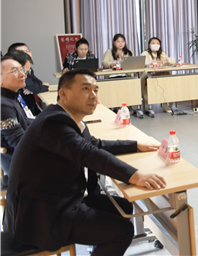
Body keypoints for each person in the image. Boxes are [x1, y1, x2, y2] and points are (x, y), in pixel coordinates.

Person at [3, 69, 165, 255]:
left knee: (124, 207)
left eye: (96, 90)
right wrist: (135, 176)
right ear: (63, 94)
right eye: (85, 89)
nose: (93, 95)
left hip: (60, 197)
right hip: (41, 216)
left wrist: (135, 145)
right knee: (122, 231)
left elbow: (94, 144)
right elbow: (89, 154)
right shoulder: (54, 123)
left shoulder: (67, 118)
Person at [1, 51, 34, 175]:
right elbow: (20, 142)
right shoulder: (2, 105)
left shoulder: (12, 97)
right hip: (20, 166)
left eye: (22, 70)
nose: (22, 74)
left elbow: (25, 121)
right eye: (15, 71)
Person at [7, 43, 49, 116]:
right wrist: (35, 88)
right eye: (23, 52)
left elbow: (38, 83)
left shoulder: (26, 70)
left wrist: (33, 89)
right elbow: (36, 88)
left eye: (28, 50)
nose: (25, 76)